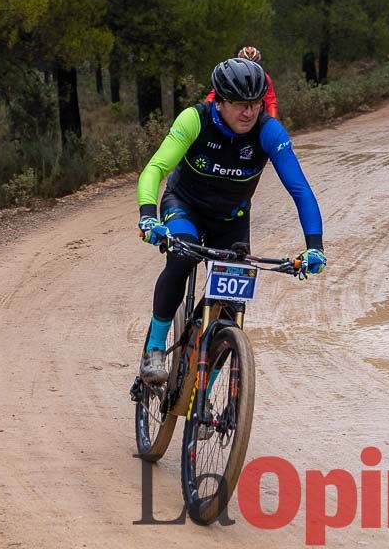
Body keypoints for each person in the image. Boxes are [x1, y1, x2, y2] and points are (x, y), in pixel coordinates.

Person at [135, 57, 325, 384]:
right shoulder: (195, 120)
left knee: (230, 308)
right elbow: (155, 169)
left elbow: (301, 191)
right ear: (219, 101)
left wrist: (315, 248)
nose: (248, 113)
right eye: (239, 105)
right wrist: (149, 218)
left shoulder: (268, 132)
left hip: (231, 219)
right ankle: (154, 348)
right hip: (185, 206)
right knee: (182, 257)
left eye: (254, 104)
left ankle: (203, 393)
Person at [205, 46, 278, 118]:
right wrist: (206, 109)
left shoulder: (264, 77)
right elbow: (216, 93)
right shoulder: (230, 74)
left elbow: (270, 101)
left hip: (255, 117)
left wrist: (272, 120)